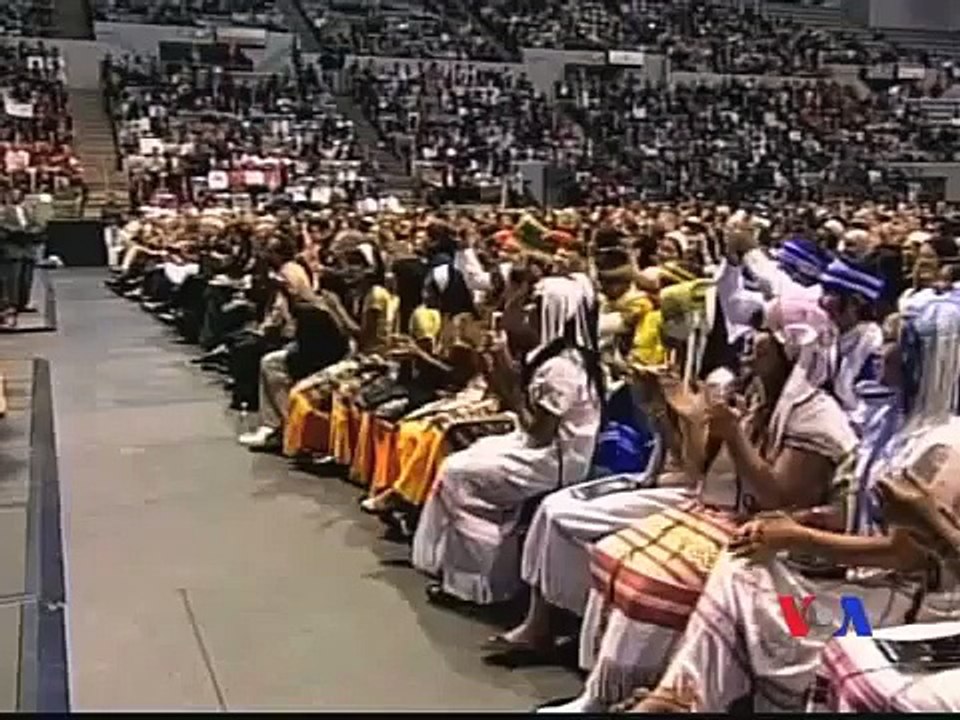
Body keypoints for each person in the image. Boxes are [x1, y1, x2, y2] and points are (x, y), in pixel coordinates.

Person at [631, 296, 960, 713]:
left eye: (895, 341)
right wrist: (803, 522)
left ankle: (681, 699)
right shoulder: (891, 423)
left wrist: (800, 536)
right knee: (743, 567)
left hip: (888, 606)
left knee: (756, 590)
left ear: (923, 357)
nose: (880, 349)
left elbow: (905, 556)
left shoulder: (943, 447)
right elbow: (855, 513)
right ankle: (680, 696)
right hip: (861, 581)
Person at [546, 297, 857, 713]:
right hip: (727, 514)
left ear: (791, 346)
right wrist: (670, 409)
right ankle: (603, 690)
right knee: (615, 550)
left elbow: (781, 500)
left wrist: (729, 432)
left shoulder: (816, 417)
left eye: (766, 332)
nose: (753, 341)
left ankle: (643, 697)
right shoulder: (760, 395)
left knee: (650, 578)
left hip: (777, 539)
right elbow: (702, 471)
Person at [412, 273, 604, 607]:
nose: (529, 310)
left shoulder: (562, 368)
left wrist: (508, 388)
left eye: (537, 305)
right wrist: (495, 365)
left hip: (551, 461)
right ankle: (463, 568)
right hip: (535, 447)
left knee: (459, 475)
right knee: (466, 455)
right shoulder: (552, 356)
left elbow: (540, 433)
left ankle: (477, 584)